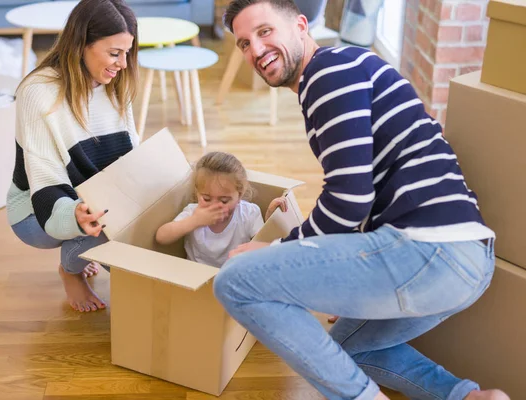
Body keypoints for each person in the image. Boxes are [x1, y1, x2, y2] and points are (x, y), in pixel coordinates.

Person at [212, 1, 510, 399]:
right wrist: (348, 279)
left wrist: (276, 247)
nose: (256, 49)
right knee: (350, 347)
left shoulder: (328, 73)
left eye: (265, 32)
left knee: (235, 280)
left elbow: (349, 197)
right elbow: (363, 196)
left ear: (301, 25)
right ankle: (469, 397)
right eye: (244, 43)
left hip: (429, 250)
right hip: (466, 262)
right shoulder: (346, 68)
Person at [6, 0, 140, 313]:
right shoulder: (39, 92)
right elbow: (45, 178)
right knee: (112, 234)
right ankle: (70, 269)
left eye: (128, 52)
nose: (122, 64)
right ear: (82, 44)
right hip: (37, 211)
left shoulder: (114, 83)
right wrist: (75, 216)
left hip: (94, 199)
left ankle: (88, 246)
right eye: (114, 52)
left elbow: (131, 153)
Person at [156, 151, 286, 268]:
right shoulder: (192, 212)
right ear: (197, 193)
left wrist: (269, 218)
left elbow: (263, 246)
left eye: (224, 200)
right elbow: (161, 237)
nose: (215, 205)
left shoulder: (249, 213)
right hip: (196, 276)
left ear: (239, 195)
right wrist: (195, 221)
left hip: (232, 275)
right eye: (207, 199)